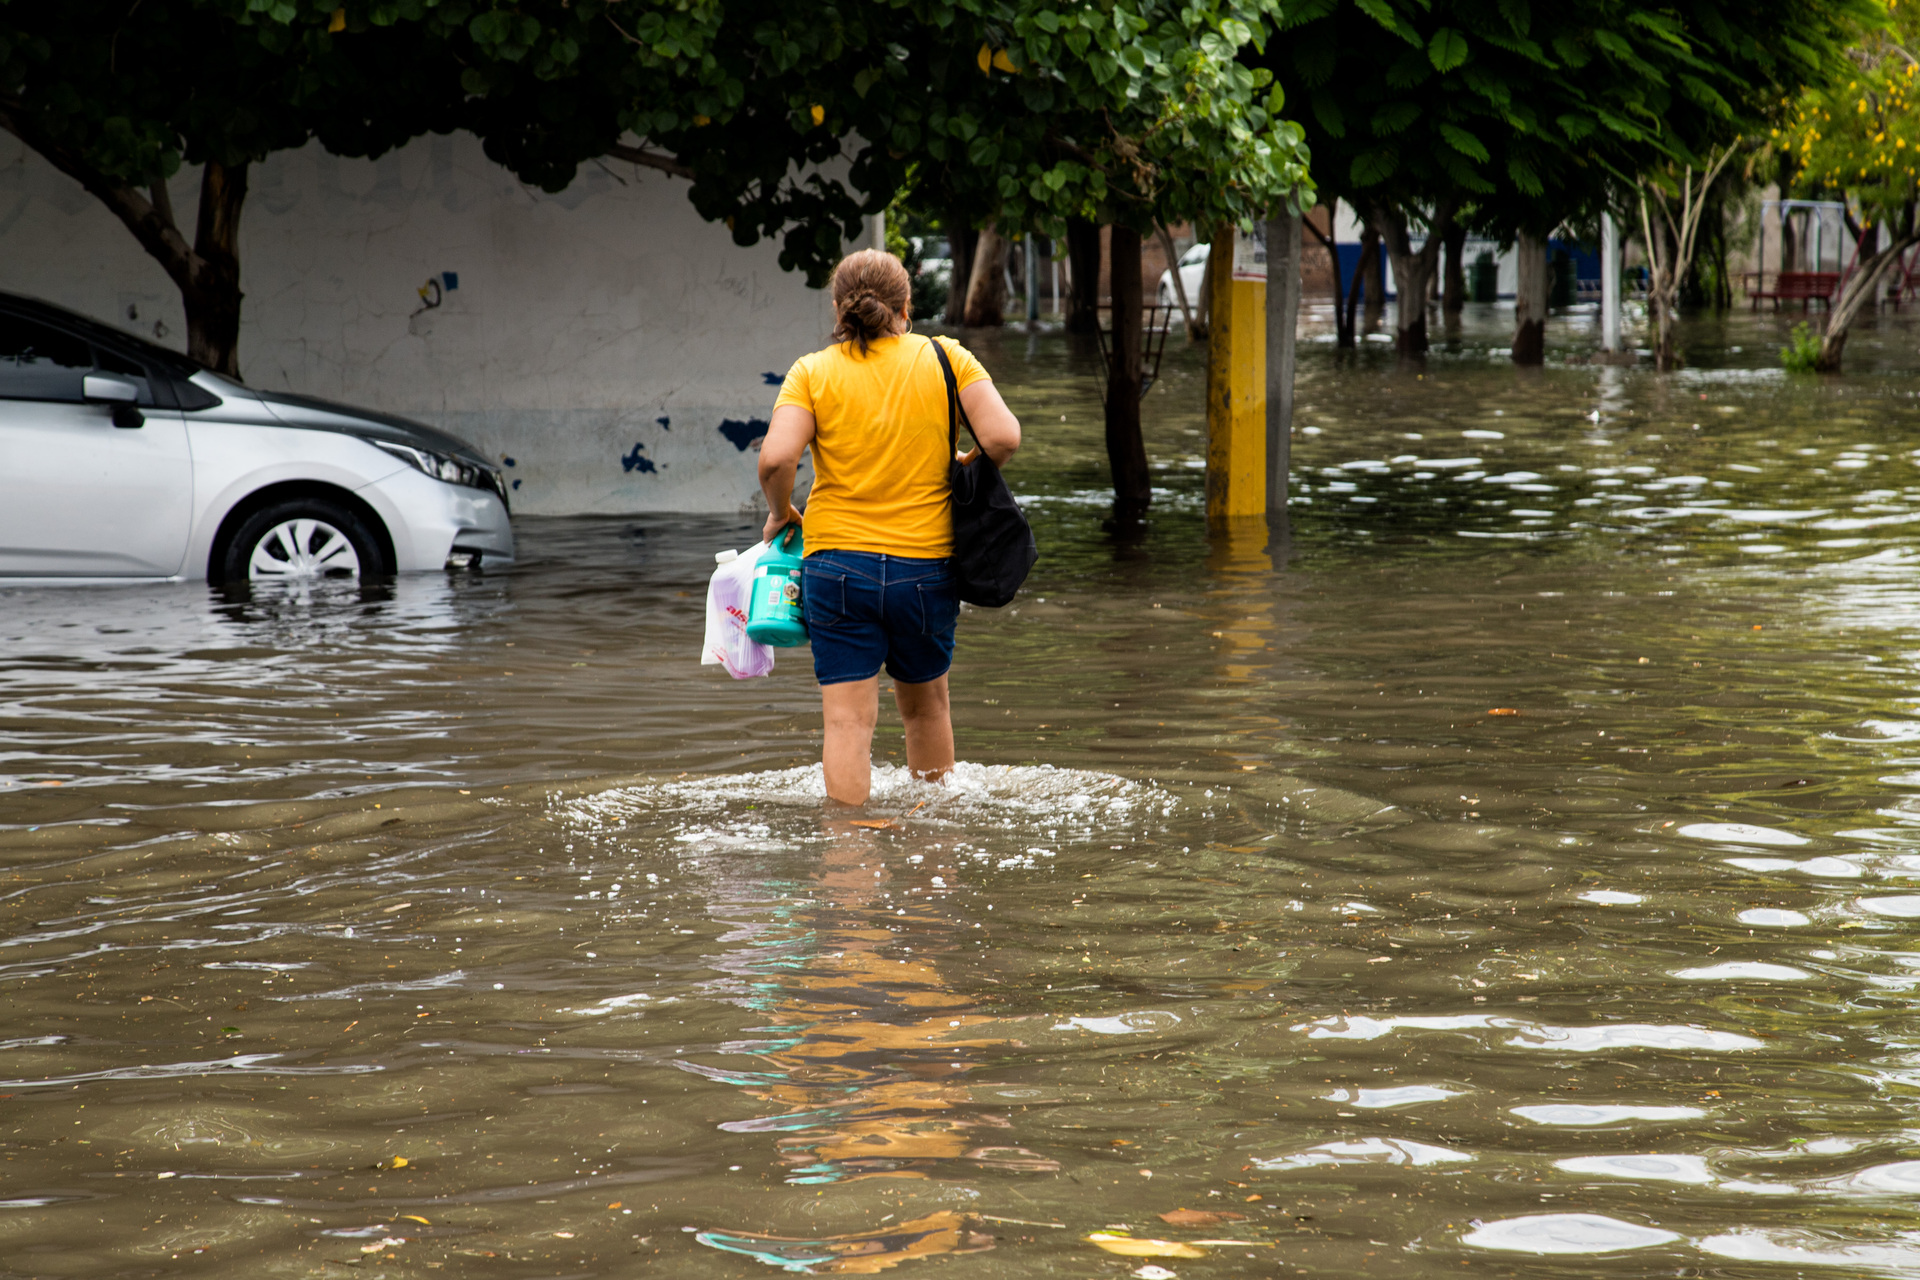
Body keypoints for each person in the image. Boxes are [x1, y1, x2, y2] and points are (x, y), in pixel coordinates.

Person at [758, 249, 1021, 806]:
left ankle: (849, 861)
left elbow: (776, 460)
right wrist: (959, 469)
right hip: (926, 570)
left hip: (837, 570)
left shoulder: (812, 371)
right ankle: (935, 854)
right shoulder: (946, 357)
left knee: (848, 724)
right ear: (906, 306)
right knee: (926, 708)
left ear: (837, 308)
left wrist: (782, 511)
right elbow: (1003, 438)